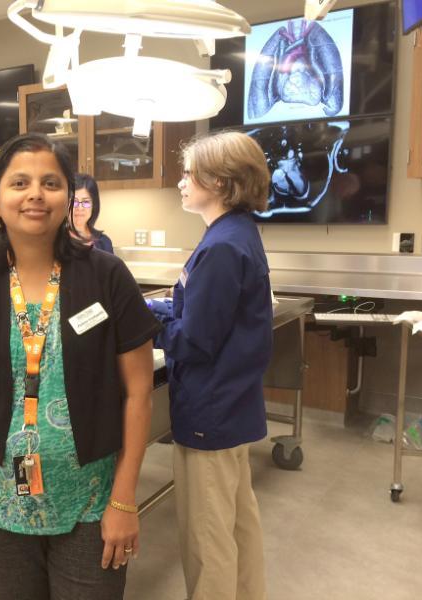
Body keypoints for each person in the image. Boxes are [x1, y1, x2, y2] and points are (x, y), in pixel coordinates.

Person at [0, 133, 159, 599]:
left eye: (50, 183)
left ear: (69, 199)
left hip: (91, 502)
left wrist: (124, 498)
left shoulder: (106, 276)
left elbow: (138, 392)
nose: (35, 193)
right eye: (19, 182)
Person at [149, 131, 272, 600]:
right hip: (232, 407)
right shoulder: (234, 234)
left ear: (219, 181)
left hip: (210, 411)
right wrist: (163, 311)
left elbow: (194, 341)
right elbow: (204, 315)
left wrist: (148, 323)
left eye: (188, 173)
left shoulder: (221, 246)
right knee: (237, 523)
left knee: (207, 538)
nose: (181, 182)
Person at [71, 173, 113, 253]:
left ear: (94, 205)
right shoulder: (53, 242)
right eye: (74, 202)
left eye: (86, 202)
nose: (80, 208)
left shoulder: (104, 243)